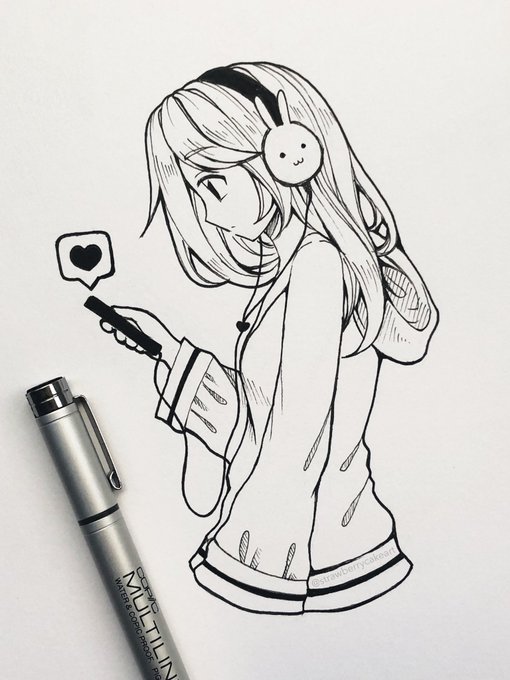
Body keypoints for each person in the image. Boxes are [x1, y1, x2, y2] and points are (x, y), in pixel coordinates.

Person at [100, 62, 438, 614]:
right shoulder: (297, 271)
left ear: (286, 154)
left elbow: (295, 440)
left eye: (211, 183)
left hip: (316, 555)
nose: (206, 213)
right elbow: (270, 412)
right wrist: (172, 354)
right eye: (192, 194)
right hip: (334, 545)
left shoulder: (318, 267)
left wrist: (248, 557)